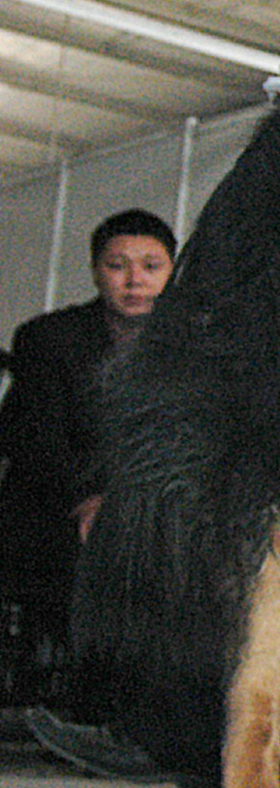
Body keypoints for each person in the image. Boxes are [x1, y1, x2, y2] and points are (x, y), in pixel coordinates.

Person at [1, 210, 175, 717]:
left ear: (172, 271)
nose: (135, 279)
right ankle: (94, 711)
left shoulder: (194, 346)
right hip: (59, 503)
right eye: (118, 265)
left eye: (150, 265)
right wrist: (89, 497)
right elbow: (33, 437)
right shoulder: (49, 339)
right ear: (97, 271)